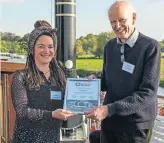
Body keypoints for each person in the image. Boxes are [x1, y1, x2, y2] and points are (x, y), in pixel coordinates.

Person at [85, 1, 161, 143]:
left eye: (122, 20)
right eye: (113, 21)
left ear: (133, 18)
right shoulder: (109, 46)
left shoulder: (150, 47)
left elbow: (148, 93)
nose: (117, 26)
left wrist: (109, 109)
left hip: (136, 126)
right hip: (110, 122)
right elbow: (108, 81)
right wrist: (95, 82)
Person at [11, 20, 76, 143]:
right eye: (41, 46)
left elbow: (70, 101)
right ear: (32, 49)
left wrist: (91, 99)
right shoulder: (21, 77)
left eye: (50, 46)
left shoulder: (60, 77)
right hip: (26, 139)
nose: (46, 51)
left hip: (52, 139)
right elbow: (22, 111)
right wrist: (51, 114)